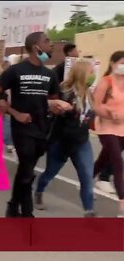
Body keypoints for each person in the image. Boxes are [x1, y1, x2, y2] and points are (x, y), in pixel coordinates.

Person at [0, 32, 71, 218]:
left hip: (42, 129)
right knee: (26, 169)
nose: (51, 44)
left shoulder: (49, 74)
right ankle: (27, 213)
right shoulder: (16, 71)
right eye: (47, 41)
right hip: (22, 128)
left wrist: (57, 108)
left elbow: (53, 101)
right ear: (36, 47)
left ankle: (12, 205)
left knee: (26, 170)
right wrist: (15, 113)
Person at [35, 60, 96, 217]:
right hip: (61, 142)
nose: (93, 75)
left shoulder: (89, 93)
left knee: (87, 177)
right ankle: (39, 191)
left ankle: (89, 211)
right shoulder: (64, 92)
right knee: (49, 173)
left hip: (81, 142)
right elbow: (49, 109)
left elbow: (90, 117)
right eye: (91, 72)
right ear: (82, 74)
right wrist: (62, 109)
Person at [91, 51, 124, 217]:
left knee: (105, 158)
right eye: (122, 63)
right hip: (106, 127)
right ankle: (122, 205)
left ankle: (87, 179)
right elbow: (96, 106)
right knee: (118, 162)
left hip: (122, 129)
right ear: (112, 63)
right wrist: (110, 114)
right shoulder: (106, 82)